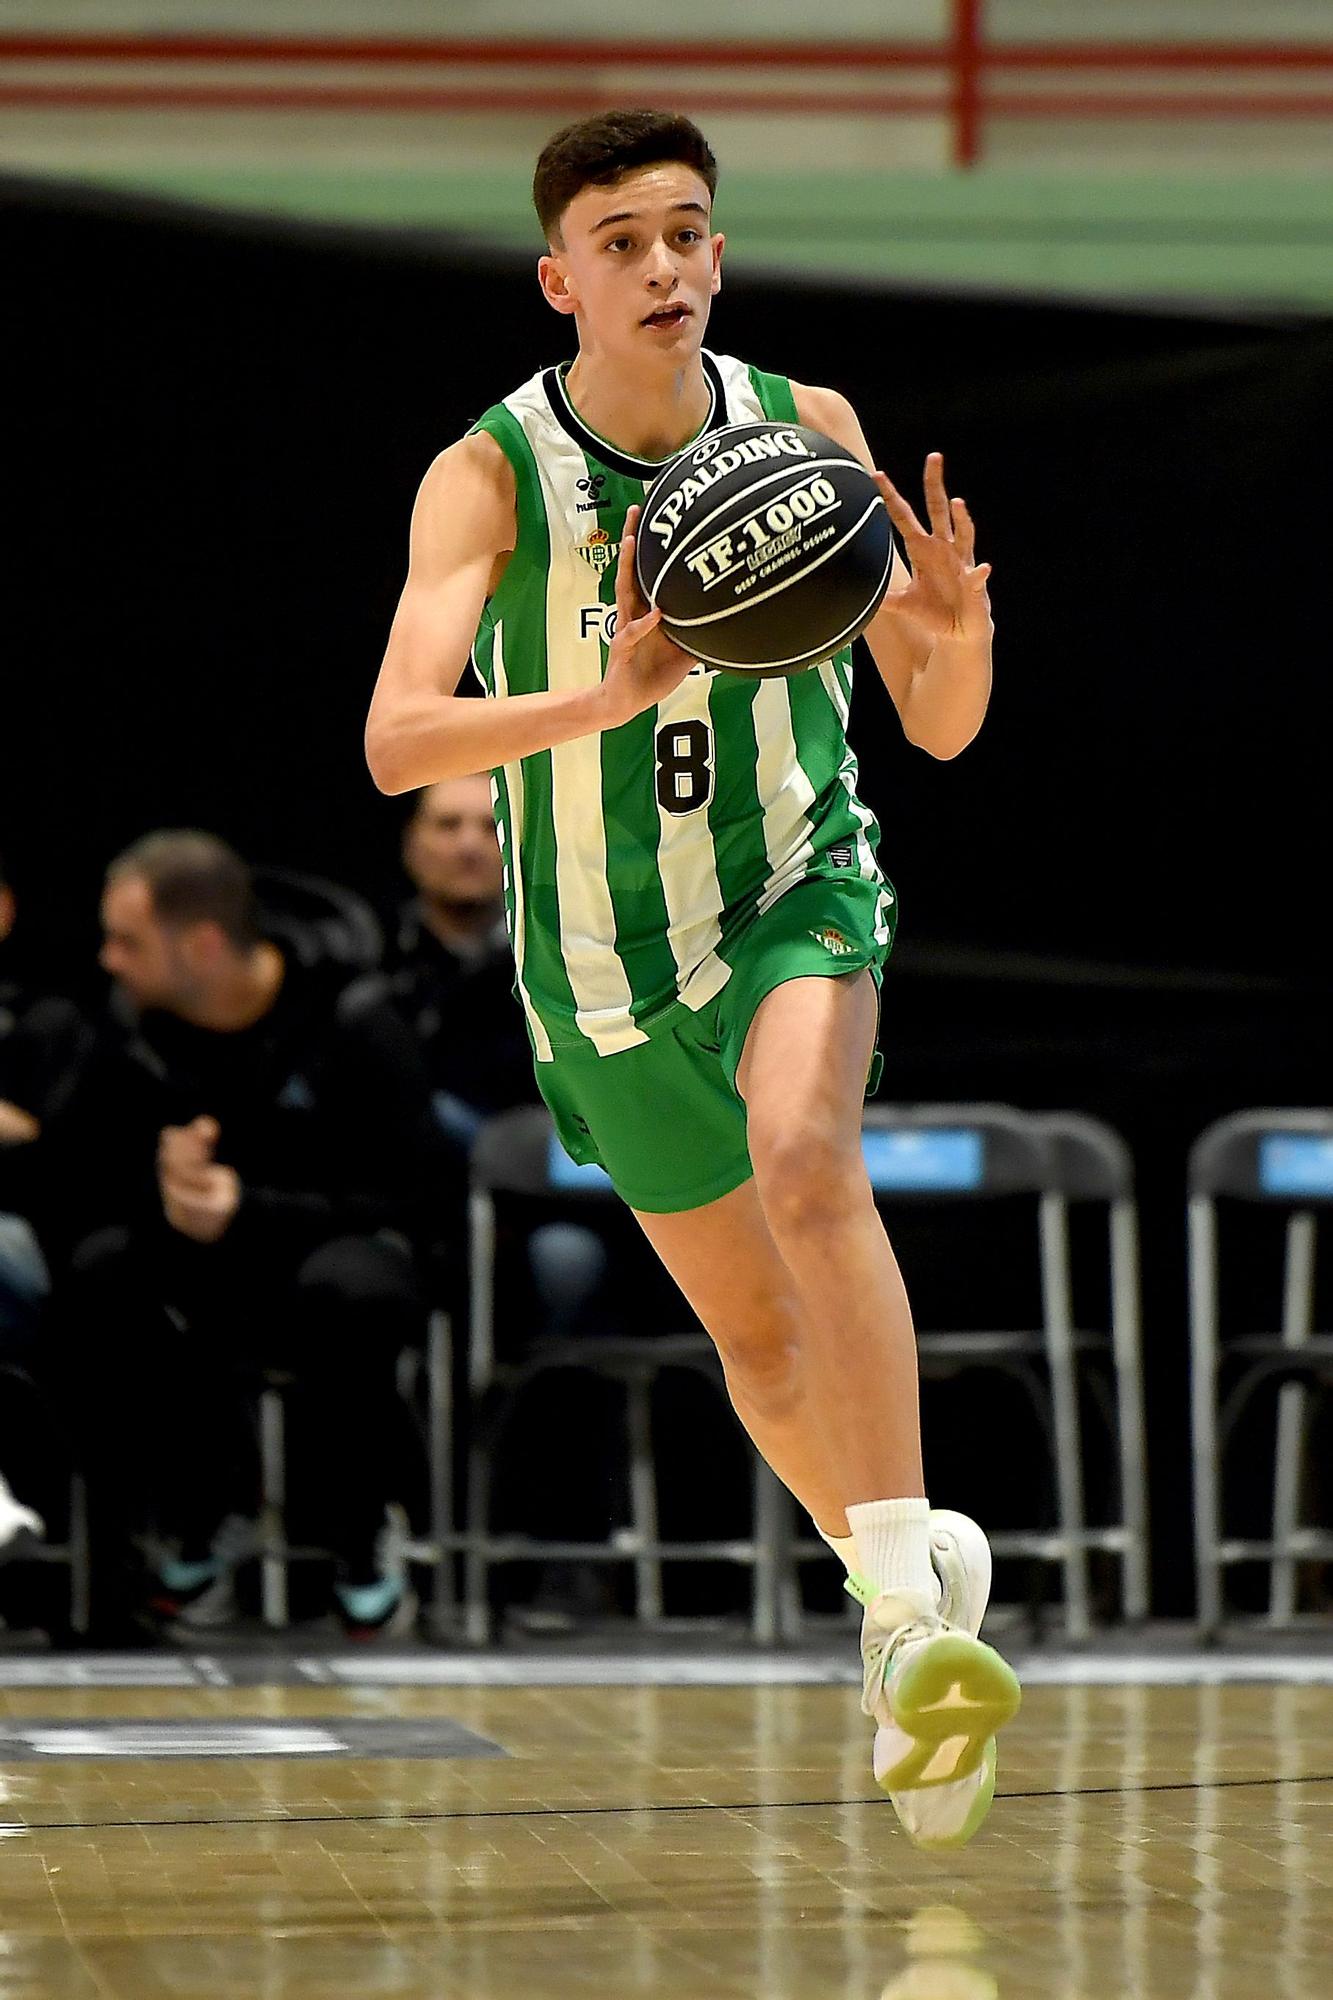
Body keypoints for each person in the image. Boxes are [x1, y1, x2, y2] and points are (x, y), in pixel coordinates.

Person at [365, 110, 1016, 1846]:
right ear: (557, 276)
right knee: (748, 1329)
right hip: (595, 964)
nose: (665, 266)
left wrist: (952, 639)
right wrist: (612, 682)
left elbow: (936, 732)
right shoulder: (490, 474)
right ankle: (907, 1602)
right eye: (626, 241)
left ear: (716, 255)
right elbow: (395, 739)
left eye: (689, 234)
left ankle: (895, 1602)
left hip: (797, 885)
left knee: (808, 1159)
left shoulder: (806, 436)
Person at [44, 831, 455, 1638]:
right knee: (103, 1275)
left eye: (129, 942)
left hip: (331, 1251)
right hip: (205, 1268)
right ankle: (187, 1517)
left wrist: (252, 1207)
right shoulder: (131, 1035)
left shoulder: (352, 1018)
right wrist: (156, 1187)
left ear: (200, 944)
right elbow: (69, 1184)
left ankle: (361, 1528)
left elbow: (420, 1201)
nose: (109, 961)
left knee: (350, 1290)